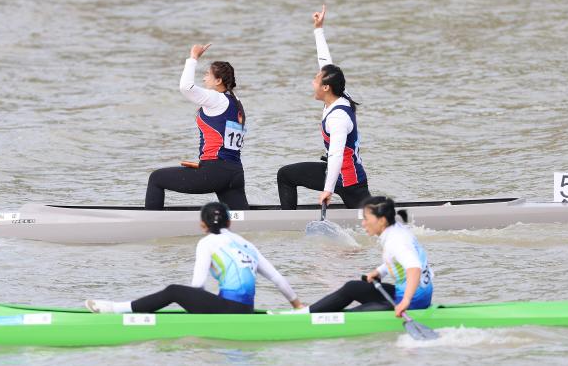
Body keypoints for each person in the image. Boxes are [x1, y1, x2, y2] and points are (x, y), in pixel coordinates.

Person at [86, 202, 303, 314]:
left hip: (228, 311)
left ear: (202, 225)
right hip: (245, 310)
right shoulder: (247, 244)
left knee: (174, 291)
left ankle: (117, 309)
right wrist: (299, 308)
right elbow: (278, 279)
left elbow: (197, 286)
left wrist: (197, 307)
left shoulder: (207, 243)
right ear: (230, 223)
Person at [277, 5, 370, 210]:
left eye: (316, 80)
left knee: (371, 220)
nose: (313, 82)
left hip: (348, 180)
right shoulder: (339, 95)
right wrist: (318, 29)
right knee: (286, 175)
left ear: (326, 87)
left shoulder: (338, 118)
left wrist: (327, 190)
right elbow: (325, 63)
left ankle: (287, 221)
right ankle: (289, 218)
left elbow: (336, 154)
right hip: (337, 172)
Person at [145, 44, 249, 210]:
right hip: (234, 173)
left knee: (156, 178)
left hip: (215, 172)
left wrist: (193, 57)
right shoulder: (237, 102)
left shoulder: (216, 99)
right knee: (241, 219)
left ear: (218, 81)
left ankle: (149, 224)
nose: (204, 78)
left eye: (207, 74)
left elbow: (186, 87)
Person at [292, 196, 433, 317]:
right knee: (351, 287)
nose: (363, 223)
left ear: (382, 220)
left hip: (413, 301)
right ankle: (307, 312)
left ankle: (306, 317)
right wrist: (379, 272)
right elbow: (399, 259)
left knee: (350, 316)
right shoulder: (397, 231)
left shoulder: (395, 241)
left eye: (366, 219)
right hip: (414, 294)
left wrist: (406, 301)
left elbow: (414, 268)